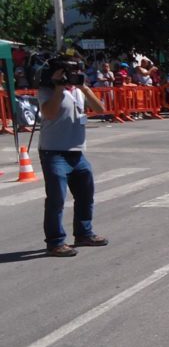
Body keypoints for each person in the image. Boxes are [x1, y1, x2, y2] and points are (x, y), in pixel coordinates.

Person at [36, 58, 109, 257]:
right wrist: (58, 88)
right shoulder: (47, 91)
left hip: (77, 152)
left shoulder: (77, 90)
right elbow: (49, 113)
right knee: (56, 199)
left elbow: (101, 109)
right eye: (67, 73)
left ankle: (84, 234)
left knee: (85, 195)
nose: (71, 77)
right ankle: (55, 242)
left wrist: (84, 87)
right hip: (54, 152)